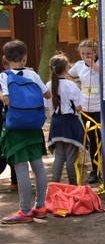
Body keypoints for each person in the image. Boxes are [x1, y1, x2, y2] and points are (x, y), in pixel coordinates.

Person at [0, 39, 51, 224]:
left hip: (16, 128)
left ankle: (25, 210)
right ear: (25, 57)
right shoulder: (33, 74)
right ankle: (41, 207)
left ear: (6, 59)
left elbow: (6, 100)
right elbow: (48, 94)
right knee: (38, 167)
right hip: (34, 126)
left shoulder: (4, 76)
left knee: (21, 168)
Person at [46, 53, 85, 185]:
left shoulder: (48, 85)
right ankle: (73, 185)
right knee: (71, 158)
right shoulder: (71, 85)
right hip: (70, 124)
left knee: (59, 156)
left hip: (56, 123)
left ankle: (54, 184)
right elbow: (79, 107)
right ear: (66, 68)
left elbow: (46, 106)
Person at [68, 39, 101, 183]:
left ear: (95, 52)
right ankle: (95, 170)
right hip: (85, 108)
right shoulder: (79, 65)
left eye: (89, 53)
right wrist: (76, 85)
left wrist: (94, 66)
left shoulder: (100, 64)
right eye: (83, 54)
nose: (86, 57)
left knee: (101, 139)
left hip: (99, 108)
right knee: (91, 139)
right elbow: (67, 74)